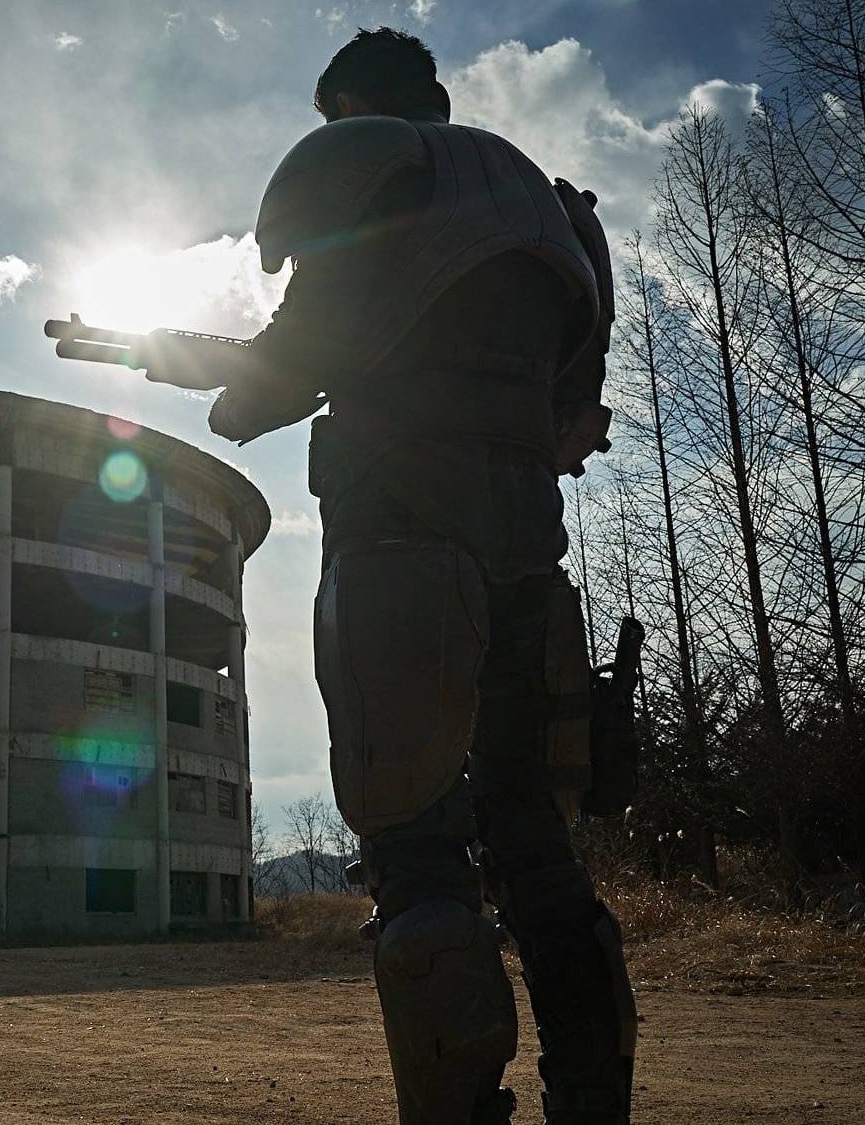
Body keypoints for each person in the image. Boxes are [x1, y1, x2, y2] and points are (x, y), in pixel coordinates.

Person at [133, 28, 637, 1125]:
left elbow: (294, 362)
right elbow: (572, 413)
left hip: (402, 530)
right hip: (528, 545)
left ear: (350, 105)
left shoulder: (371, 160)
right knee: (538, 848)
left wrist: (196, 371)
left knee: (412, 843)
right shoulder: (550, 207)